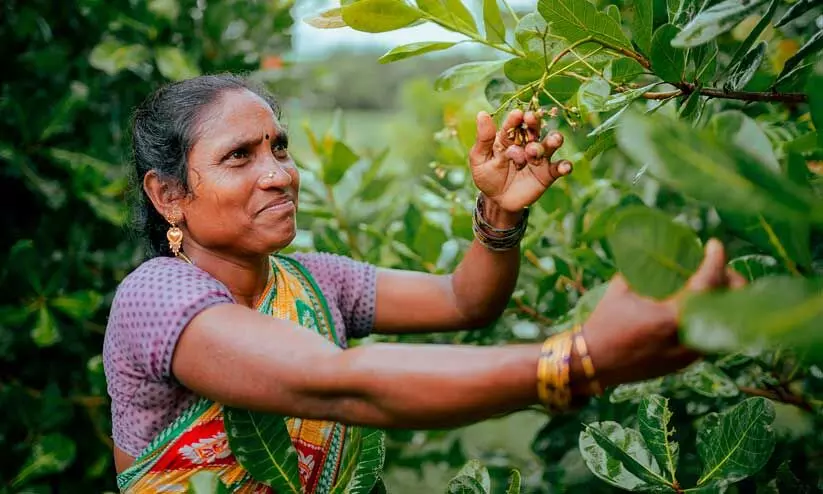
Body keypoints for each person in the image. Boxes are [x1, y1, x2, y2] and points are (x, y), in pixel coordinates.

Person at [103, 74, 744, 493]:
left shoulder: (314, 281)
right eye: (239, 156)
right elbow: (337, 385)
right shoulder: (156, 300)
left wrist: (501, 213)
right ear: (168, 196)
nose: (278, 175)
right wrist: (576, 363)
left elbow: (466, 301)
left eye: (280, 148)